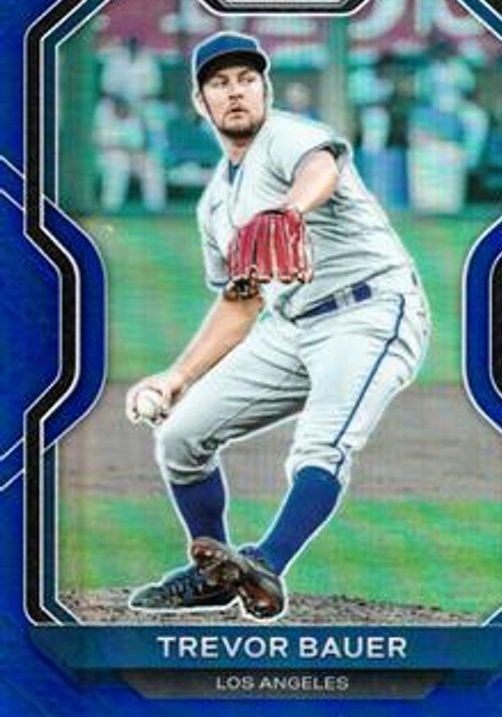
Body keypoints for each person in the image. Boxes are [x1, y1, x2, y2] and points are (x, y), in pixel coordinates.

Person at [126, 32, 431, 620]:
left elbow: (321, 167)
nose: (236, 91)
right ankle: (215, 572)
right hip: (288, 327)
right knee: (181, 436)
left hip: (369, 310)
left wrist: (290, 209)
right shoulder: (216, 206)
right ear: (200, 102)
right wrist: (177, 377)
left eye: (247, 79)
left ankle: (266, 562)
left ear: (265, 89)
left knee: (322, 445)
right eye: (220, 83)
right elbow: (241, 304)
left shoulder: (286, 138)